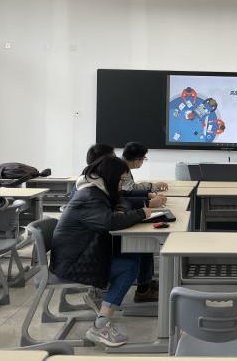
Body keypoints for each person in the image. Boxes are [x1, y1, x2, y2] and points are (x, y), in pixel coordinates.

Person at [50, 155, 151, 347]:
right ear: (111, 177)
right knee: (129, 266)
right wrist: (141, 213)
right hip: (72, 264)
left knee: (132, 255)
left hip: (80, 255)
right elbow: (110, 222)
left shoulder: (94, 190)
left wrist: (124, 210)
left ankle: (104, 304)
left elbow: (120, 202)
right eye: (120, 180)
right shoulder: (90, 197)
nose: (121, 185)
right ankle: (100, 326)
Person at [121, 141, 168, 302]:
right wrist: (148, 199)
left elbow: (128, 190)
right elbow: (127, 192)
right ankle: (143, 289)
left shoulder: (120, 166)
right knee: (145, 243)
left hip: (120, 218)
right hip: (114, 228)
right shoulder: (120, 169)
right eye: (143, 159)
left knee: (146, 243)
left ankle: (146, 282)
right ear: (137, 160)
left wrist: (148, 195)